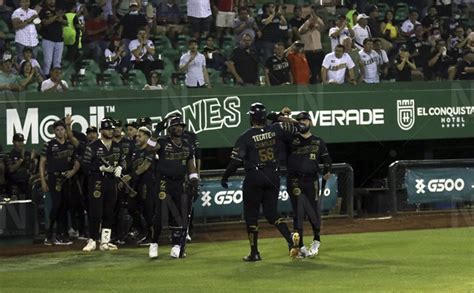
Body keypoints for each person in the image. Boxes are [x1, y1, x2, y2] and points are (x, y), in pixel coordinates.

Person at [220, 103, 304, 261]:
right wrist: (278, 117)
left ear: (251, 117)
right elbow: (300, 127)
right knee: (272, 213)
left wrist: (225, 177)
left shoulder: (246, 136)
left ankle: (254, 252)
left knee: (251, 217)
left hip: (255, 177)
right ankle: (290, 237)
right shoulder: (277, 129)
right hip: (273, 174)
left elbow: (235, 162)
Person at [146, 115, 199, 258]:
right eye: (176, 126)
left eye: (181, 126)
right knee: (159, 215)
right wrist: (156, 132)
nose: (179, 128)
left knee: (179, 215)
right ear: (170, 129)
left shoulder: (187, 145)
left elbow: (191, 166)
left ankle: (176, 245)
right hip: (163, 182)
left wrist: (194, 181)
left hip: (180, 183)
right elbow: (149, 148)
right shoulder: (162, 142)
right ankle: (154, 243)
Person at [282, 111, 331, 258]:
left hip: (311, 180)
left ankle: (316, 240)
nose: (302, 122)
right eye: (300, 121)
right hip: (294, 179)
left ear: (310, 122)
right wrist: (284, 117)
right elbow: (274, 125)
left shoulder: (318, 141)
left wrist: (328, 170)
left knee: (313, 213)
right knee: (298, 212)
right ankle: (300, 246)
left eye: (305, 120)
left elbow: (326, 158)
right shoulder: (291, 140)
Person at [82, 118, 124, 252]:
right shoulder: (92, 147)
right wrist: (99, 168)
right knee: (95, 211)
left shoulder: (117, 146)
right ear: (101, 131)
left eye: (111, 129)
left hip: (111, 182)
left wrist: (121, 168)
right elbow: (85, 166)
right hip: (96, 182)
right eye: (107, 129)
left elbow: (123, 161)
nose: (110, 131)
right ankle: (93, 239)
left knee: (109, 212)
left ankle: (105, 241)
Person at [40, 119, 80, 246]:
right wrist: (43, 181)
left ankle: (61, 234)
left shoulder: (70, 144)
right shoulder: (49, 144)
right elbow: (42, 163)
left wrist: (73, 171)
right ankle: (50, 233)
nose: (60, 132)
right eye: (57, 130)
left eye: (62, 129)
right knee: (56, 205)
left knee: (65, 206)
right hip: (54, 178)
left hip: (67, 179)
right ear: (54, 131)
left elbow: (78, 159)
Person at [39, 0, 68, 77]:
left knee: (57, 62)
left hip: (59, 40)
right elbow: (44, 23)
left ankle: (56, 78)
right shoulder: (43, 11)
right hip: (48, 39)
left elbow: (66, 22)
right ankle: (45, 78)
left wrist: (60, 19)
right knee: (47, 61)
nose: (52, 1)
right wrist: (56, 16)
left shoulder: (58, 10)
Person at [298, 6, 324, 83]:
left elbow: (322, 25)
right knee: (312, 72)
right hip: (309, 53)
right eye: (310, 19)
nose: (312, 21)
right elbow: (300, 31)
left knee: (321, 71)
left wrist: (314, 15)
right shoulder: (304, 27)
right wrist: (309, 27)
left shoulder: (317, 28)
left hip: (319, 52)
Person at [5, 133, 35, 199]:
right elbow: (11, 169)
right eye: (18, 141)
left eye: (22, 141)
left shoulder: (28, 154)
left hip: (26, 184)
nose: (21, 143)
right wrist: (21, 159)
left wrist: (32, 160)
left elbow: (32, 170)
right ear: (13, 142)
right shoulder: (9, 155)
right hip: (14, 184)